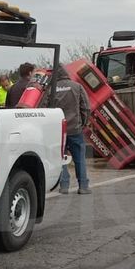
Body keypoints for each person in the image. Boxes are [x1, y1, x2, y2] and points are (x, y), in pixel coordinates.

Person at [53, 65, 93, 194]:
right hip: (75, 129)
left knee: (61, 158)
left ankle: (64, 186)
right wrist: (83, 123)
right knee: (79, 158)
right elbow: (86, 107)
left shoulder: (51, 89)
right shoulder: (77, 87)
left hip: (58, 131)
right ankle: (83, 186)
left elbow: (45, 107)